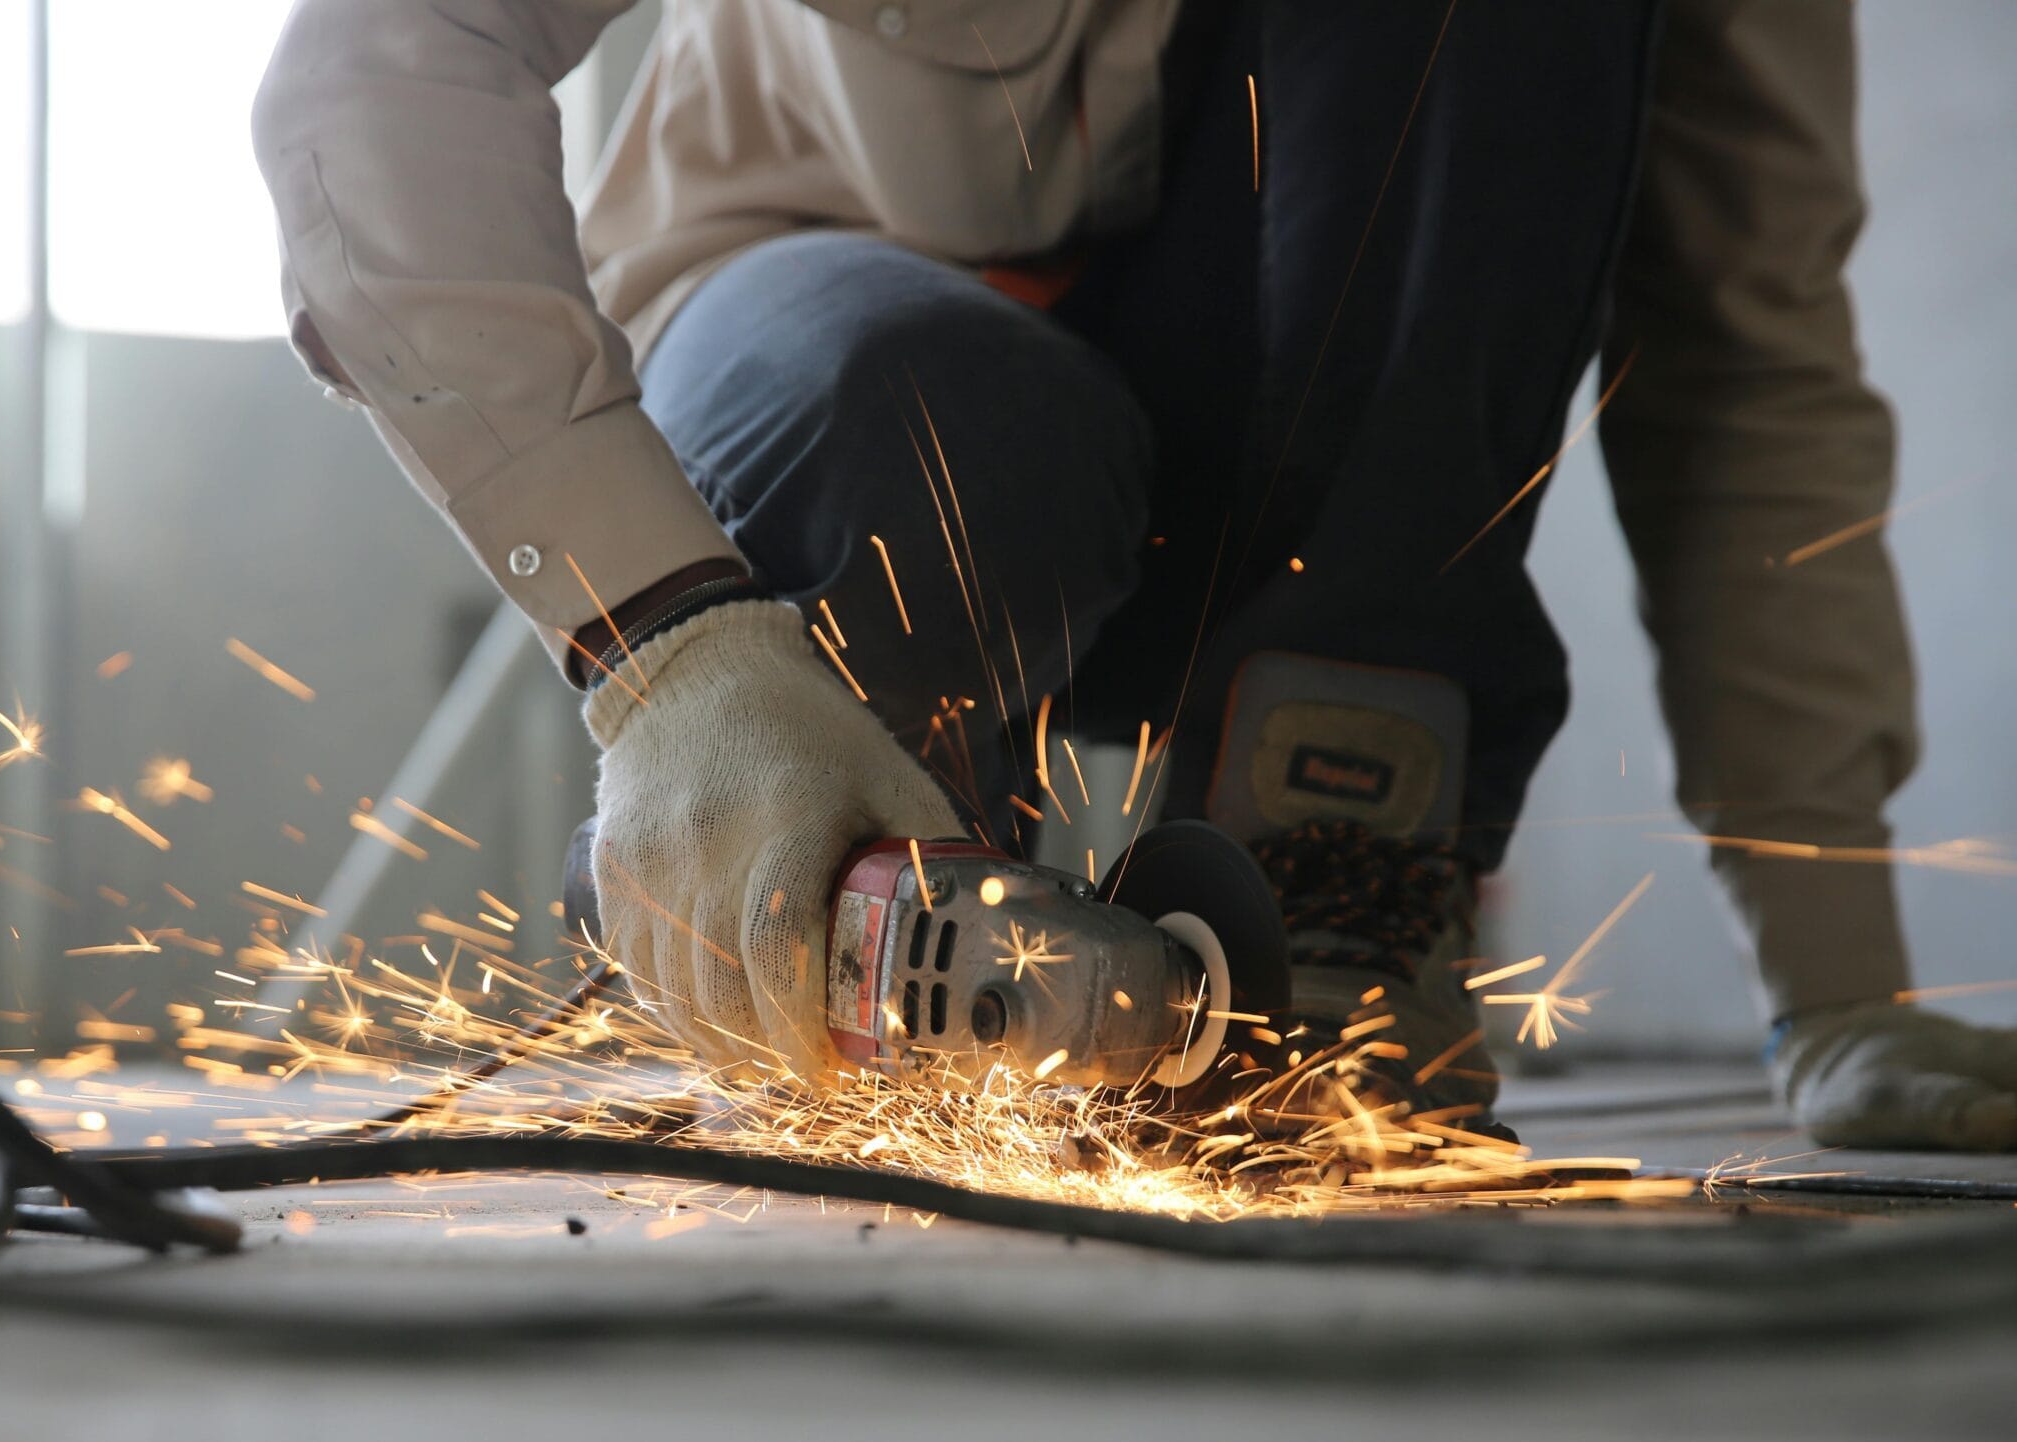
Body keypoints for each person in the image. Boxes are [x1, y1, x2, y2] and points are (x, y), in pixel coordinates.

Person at [253, 0, 2017, 1148]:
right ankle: (849, 875)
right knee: (934, 425)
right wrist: (670, 655)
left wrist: (1842, 978)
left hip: (1298, 482)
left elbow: (1746, 356)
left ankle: (1328, 879)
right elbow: (382, 67)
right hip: (847, 366)